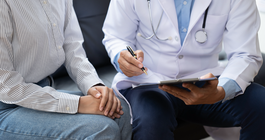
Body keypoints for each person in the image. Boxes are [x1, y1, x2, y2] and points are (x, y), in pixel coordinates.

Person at [102, 0, 265, 139]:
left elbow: (245, 54)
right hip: (149, 80)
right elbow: (116, 36)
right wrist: (121, 57)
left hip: (206, 81)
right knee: (151, 121)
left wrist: (221, 91)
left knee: (261, 104)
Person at [0, 0, 132, 139]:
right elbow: (6, 87)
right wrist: (79, 104)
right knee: (100, 129)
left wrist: (94, 85)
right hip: (5, 105)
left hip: (42, 91)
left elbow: (72, 48)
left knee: (120, 109)